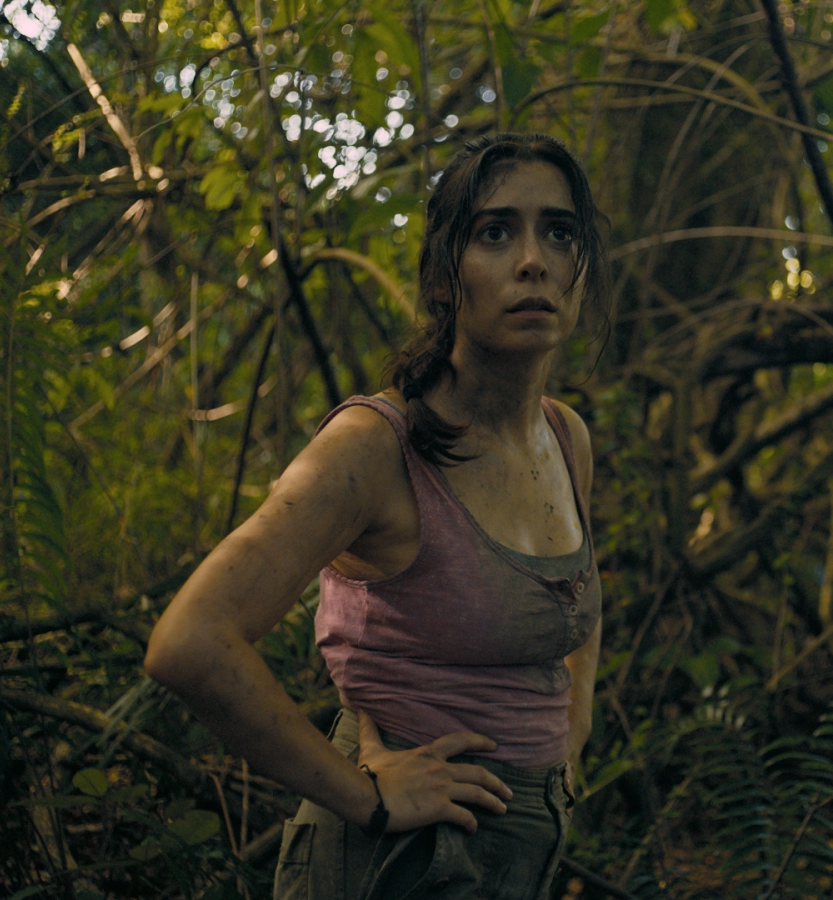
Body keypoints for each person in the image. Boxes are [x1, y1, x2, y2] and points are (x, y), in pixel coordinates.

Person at [144, 132, 609, 900]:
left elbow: (580, 599)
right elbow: (190, 641)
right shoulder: (375, 447)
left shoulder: (565, 436)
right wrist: (368, 799)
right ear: (443, 276)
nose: (534, 260)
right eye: (495, 233)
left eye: (560, 232)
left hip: (518, 861)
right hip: (395, 865)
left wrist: (572, 728)